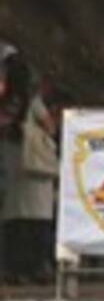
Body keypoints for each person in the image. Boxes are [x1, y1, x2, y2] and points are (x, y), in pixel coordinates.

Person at [0, 53, 55, 285]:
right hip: (36, 166)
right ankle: (38, 267)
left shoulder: (6, 103)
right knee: (38, 219)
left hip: (13, 164)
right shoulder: (32, 102)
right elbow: (49, 127)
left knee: (15, 219)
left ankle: (15, 269)